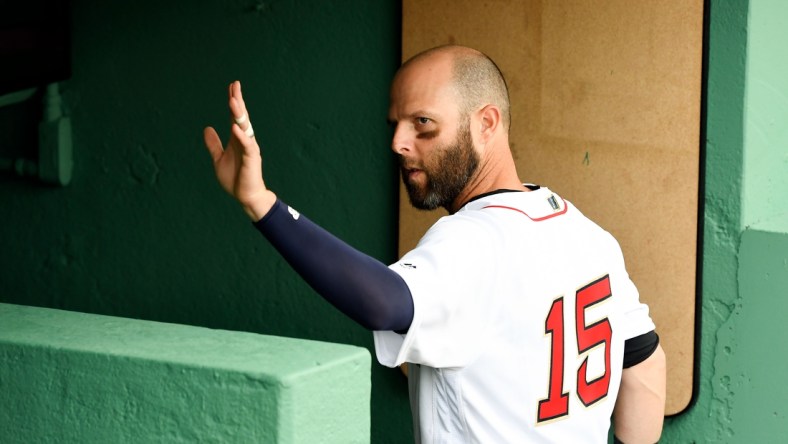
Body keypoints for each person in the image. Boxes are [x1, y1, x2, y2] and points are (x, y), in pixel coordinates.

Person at [203, 45, 666, 444]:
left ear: (486, 123)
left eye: (423, 123)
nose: (399, 142)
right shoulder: (588, 235)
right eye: (396, 124)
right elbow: (643, 368)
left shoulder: (472, 239)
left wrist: (261, 203)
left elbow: (384, 302)